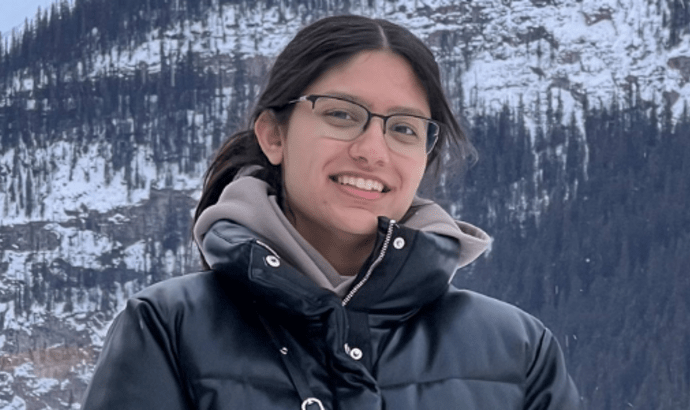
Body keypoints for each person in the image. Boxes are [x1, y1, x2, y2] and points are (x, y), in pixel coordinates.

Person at [82, 14, 580, 410]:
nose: (372, 151)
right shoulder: (169, 329)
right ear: (273, 136)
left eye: (403, 128)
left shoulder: (516, 350)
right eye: (341, 114)